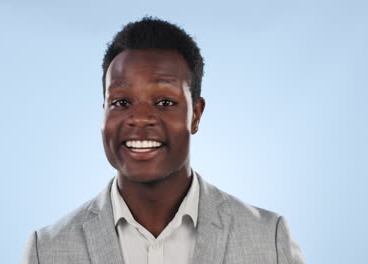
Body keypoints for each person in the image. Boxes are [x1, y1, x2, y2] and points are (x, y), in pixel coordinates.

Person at [21, 17, 305, 264]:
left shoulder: (269, 238)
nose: (141, 118)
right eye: (121, 101)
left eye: (165, 101)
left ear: (196, 115)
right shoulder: (46, 250)